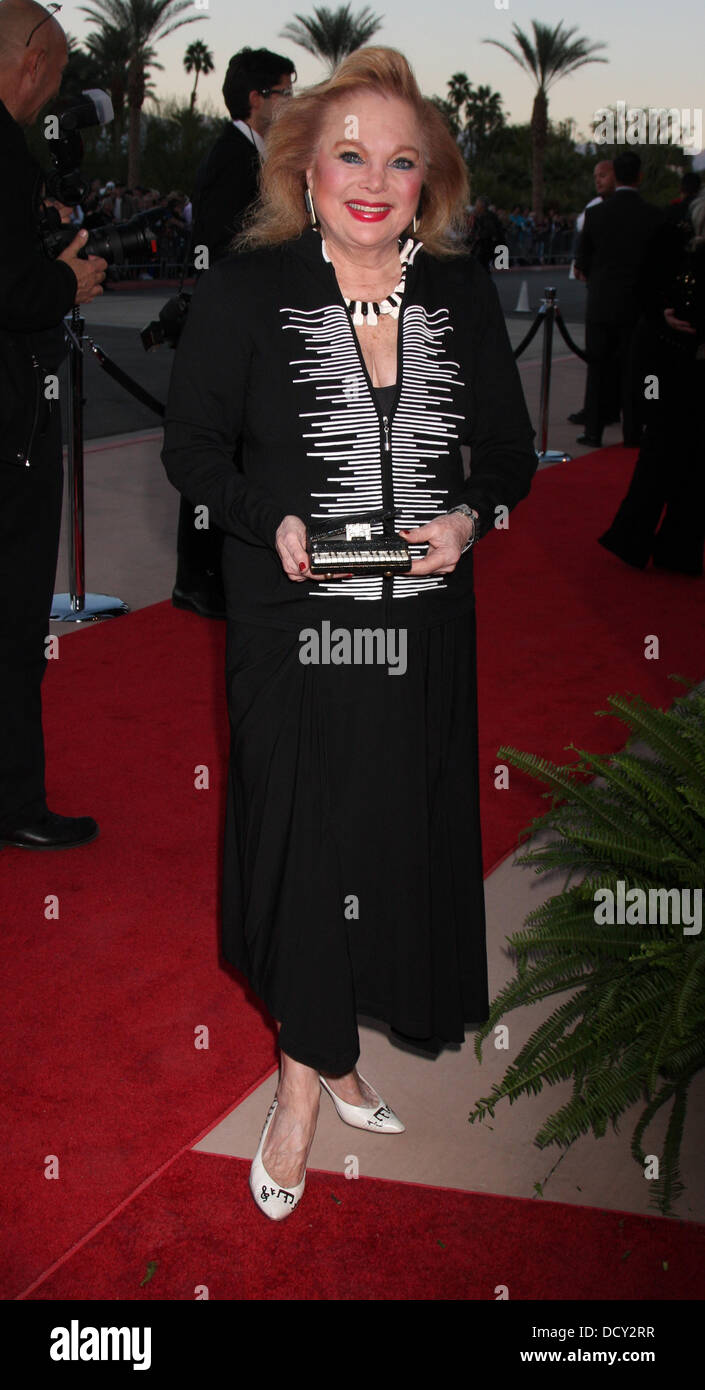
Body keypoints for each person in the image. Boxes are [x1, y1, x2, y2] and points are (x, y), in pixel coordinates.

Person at [162, 46, 537, 1221]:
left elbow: (516, 460)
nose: (375, 181)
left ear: (431, 180)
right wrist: (265, 518)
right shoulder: (246, 289)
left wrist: (472, 517)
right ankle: (302, 1088)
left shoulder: (460, 295)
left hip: (422, 628)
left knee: (377, 843)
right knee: (300, 847)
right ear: (306, 168)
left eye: (402, 160)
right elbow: (192, 460)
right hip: (290, 624)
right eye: (351, 156)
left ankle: (327, 1045)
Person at [0, 0, 107, 850]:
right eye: (61, 71)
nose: (56, 90)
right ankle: (17, 806)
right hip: (11, 433)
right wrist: (64, 283)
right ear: (32, 59)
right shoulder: (5, 152)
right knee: (13, 619)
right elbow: (9, 294)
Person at [172, 46, 296, 622]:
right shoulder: (231, 156)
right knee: (213, 450)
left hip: (249, 322)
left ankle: (208, 571)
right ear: (257, 98)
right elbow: (223, 244)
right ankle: (198, 576)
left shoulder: (256, 153)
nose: (291, 102)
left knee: (234, 450)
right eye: (285, 92)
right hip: (231, 326)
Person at [598, 190, 705, 574]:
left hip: (685, 361)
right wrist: (663, 315)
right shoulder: (670, 232)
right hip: (669, 359)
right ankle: (635, 539)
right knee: (661, 450)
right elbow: (644, 289)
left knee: (695, 459)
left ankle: (679, 548)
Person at [575, 151, 663, 448]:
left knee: (597, 369)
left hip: (601, 303)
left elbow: (583, 260)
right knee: (635, 370)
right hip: (638, 307)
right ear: (639, 176)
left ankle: (593, 430)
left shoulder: (596, 214)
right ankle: (633, 432)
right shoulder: (654, 216)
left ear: (617, 175)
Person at [568, 159, 617, 427]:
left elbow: (584, 252)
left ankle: (596, 415)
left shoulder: (597, 212)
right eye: (596, 176)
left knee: (600, 359)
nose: (598, 180)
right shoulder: (594, 209)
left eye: (603, 175)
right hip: (617, 297)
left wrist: (583, 267)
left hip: (601, 297)